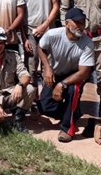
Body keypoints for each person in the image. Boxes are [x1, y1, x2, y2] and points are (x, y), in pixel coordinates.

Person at [37, 8, 95, 142]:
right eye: (77, 23)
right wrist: (46, 67)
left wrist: (62, 84)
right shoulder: (52, 35)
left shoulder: (87, 43)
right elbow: (41, 47)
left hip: (76, 75)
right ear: (66, 23)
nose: (81, 26)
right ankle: (73, 113)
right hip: (55, 72)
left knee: (72, 90)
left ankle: (67, 128)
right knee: (44, 106)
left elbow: (84, 72)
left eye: (83, 23)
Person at [0, 27, 36, 133]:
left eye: (1, 43)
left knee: (30, 89)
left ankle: (18, 120)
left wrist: (20, 85)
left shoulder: (14, 56)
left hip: (11, 93)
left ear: (5, 43)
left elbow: (25, 75)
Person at [15, 0, 59, 88]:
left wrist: (45, 25)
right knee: (31, 67)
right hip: (29, 32)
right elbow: (20, 15)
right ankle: (33, 98)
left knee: (50, 65)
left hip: (49, 31)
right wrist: (24, 38)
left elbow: (56, 6)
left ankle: (50, 95)